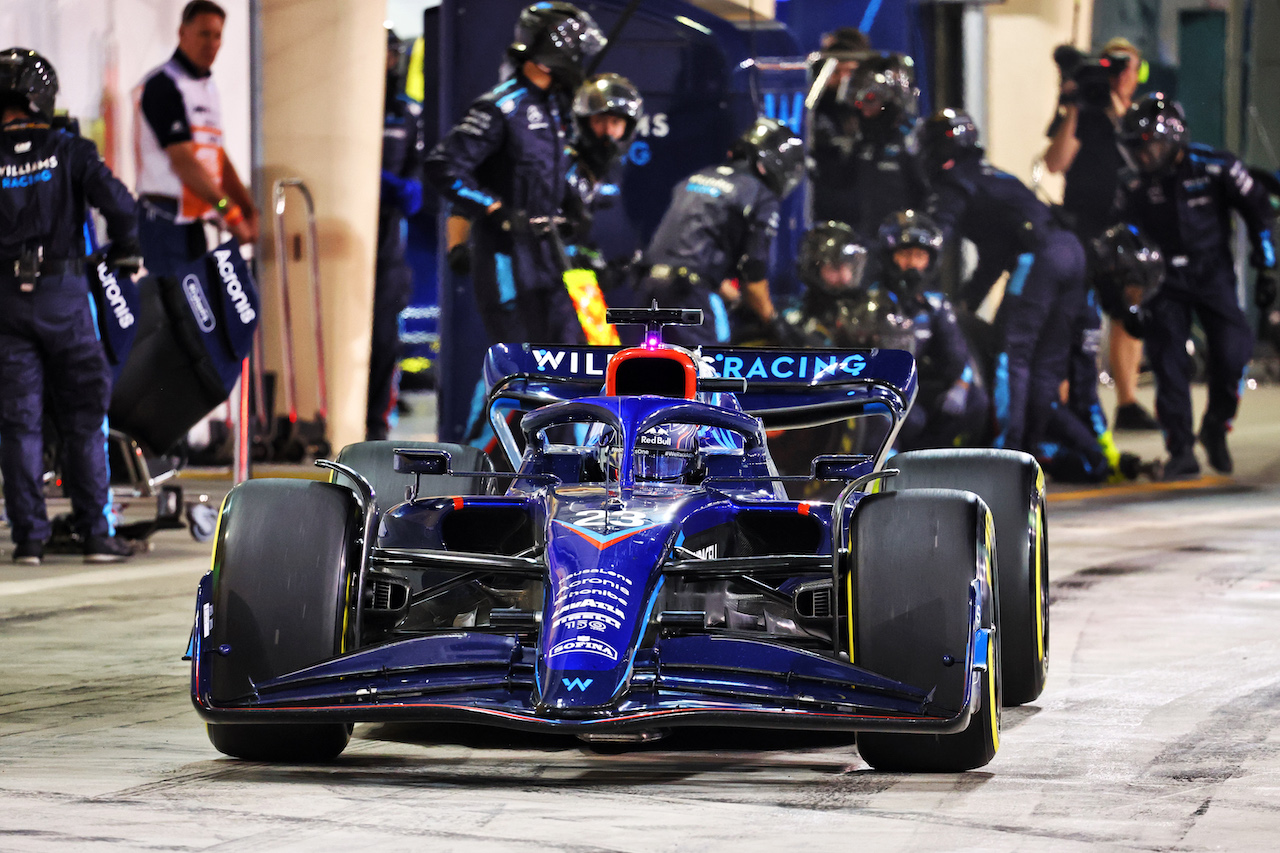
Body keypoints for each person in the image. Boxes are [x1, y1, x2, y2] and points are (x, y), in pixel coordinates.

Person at [1, 48, 140, 564]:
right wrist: (126, 248)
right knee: (84, 418)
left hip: (5, 307)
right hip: (64, 298)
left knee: (19, 425)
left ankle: (29, 541)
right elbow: (121, 204)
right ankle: (96, 536)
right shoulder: (69, 148)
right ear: (43, 98)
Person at [425, 1, 606, 346]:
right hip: (506, 259)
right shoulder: (500, 107)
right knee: (519, 368)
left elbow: (557, 172)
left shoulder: (554, 107)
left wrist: (578, 201)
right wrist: (494, 209)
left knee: (567, 361)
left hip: (554, 258)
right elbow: (443, 166)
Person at [1116, 93, 1278, 478]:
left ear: (1173, 139)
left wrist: (1267, 267)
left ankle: (1216, 427)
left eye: (1149, 146)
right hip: (1162, 281)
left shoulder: (1217, 166)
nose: (1143, 156)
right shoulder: (1132, 185)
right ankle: (1181, 450)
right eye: (1135, 149)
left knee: (1232, 352)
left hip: (1213, 274)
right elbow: (1121, 240)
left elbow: (1259, 211)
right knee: (1169, 362)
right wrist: (1127, 299)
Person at [922, 108, 1088, 455]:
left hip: (1039, 257)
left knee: (1010, 354)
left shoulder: (955, 182)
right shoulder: (992, 175)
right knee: (1045, 362)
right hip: (1070, 251)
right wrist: (969, 298)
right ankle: (1053, 448)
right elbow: (996, 251)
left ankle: (1006, 451)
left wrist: (919, 290)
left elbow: (934, 239)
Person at [1044, 37, 1157, 431]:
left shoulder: (1136, 116)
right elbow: (1055, 163)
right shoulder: (1085, 110)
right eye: (1116, 67)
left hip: (1124, 228)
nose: (1125, 76)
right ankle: (1062, 403)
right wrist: (1074, 107)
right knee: (1073, 314)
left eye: (1132, 68)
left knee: (1128, 311)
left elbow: (1148, 162)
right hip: (1082, 225)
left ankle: (1127, 400)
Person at [638, 116, 804, 348]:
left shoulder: (697, 177)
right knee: (707, 372)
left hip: (651, 288)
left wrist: (737, 302)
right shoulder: (759, 195)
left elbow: (690, 258)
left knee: (658, 372)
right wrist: (774, 322)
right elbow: (752, 277)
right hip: (689, 298)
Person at [134, 0, 257, 276]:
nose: (211, 43)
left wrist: (248, 207)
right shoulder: (163, 84)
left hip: (194, 223)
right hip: (164, 220)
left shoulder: (208, 88)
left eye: (217, 36)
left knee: (200, 314)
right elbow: (184, 161)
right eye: (204, 34)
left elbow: (216, 155)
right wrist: (231, 212)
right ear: (182, 33)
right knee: (176, 313)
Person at [873, 211, 989, 451]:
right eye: (905, 254)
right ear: (889, 256)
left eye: (919, 256)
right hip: (876, 394)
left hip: (915, 390)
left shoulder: (936, 305)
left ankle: (929, 463)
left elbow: (958, 359)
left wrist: (961, 387)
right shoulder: (871, 301)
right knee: (909, 419)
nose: (912, 264)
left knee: (975, 401)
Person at [367, 30, 426, 441]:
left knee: (385, 343)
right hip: (344, 251)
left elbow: (413, 196)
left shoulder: (408, 116)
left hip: (387, 249)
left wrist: (374, 178)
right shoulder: (348, 108)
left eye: (388, 54)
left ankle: (374, 429)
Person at [811, 51, 927, 240]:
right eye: (858, 102)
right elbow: (840, 187)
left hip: (903, 246)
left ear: (891, 100)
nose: (863, 111)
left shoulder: (913, 142)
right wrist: (822, 158)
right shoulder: (863, 143)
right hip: (867, 240)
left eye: (870, 101)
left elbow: (928, 200)